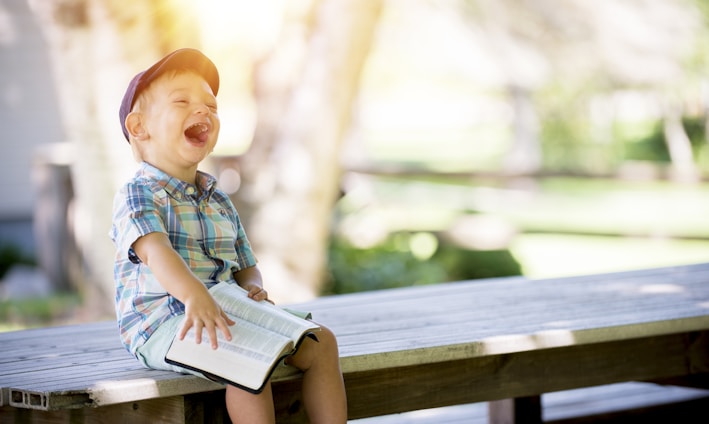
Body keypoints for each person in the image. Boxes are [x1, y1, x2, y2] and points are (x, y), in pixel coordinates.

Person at [110, 48, 347, 423]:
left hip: (226, 306)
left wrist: (253, 286)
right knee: (248, 360)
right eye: (182, 101)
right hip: (163, 323)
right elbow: (156, 251)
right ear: (139, 127)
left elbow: (245, 264)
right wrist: (195, 295)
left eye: (211, 105)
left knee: (321, 342)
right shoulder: (139, 192)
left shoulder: (217, 197)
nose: (203, 110)